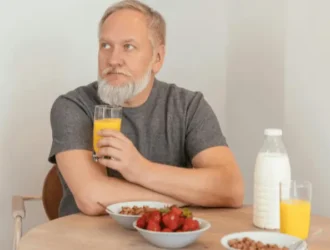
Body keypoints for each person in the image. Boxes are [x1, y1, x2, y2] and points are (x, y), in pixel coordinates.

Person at [48, 0, 244, 217]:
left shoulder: (188, 107)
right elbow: (92, 197)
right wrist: (188, 197)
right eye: (105, 45)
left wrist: (140, 169)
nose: (113, 59)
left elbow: (231, 189)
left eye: (128, 47)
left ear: (157, 58)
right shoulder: (74, 106)